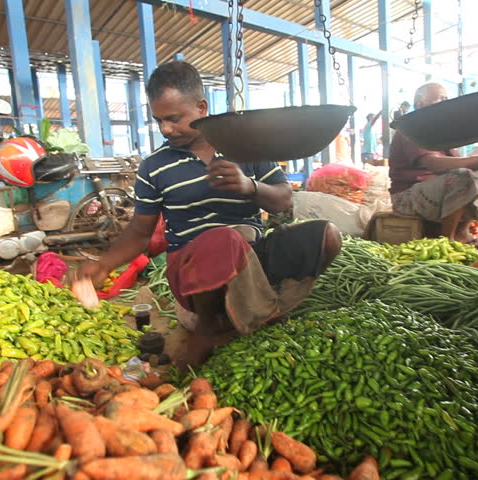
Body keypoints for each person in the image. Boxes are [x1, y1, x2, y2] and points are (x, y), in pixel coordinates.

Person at [74, 61, 341, 368]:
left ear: (201, 107)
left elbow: (284, 200)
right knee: (223, 239)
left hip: (251, 262)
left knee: (326, 235)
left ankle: (261, 307)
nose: (165, 128)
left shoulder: (246, 148)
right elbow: (139, 230)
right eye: (158, 120)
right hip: (193, 274)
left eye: (174, 118)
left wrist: (249, 187)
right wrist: (104, 264)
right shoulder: (154, 167)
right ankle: (205, 330)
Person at [388, 83, 478, 242]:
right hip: (406, 197)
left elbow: (456, 161)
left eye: (447, 98)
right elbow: (435, 164)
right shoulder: (411, 128)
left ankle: (462, 231)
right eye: (441, 99)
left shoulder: (438, 130)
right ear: (421, 104)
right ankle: (447, 239)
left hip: (434, 190)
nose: (446, 103)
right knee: (462, 176)